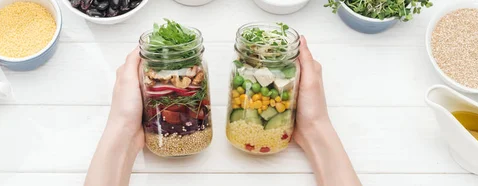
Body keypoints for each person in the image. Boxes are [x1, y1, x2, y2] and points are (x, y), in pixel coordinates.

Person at [84, 36, 362, 186]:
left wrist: (314, 124)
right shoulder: (152, 70)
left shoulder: (270, 70)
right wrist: (123, 124)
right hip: (157, 140)